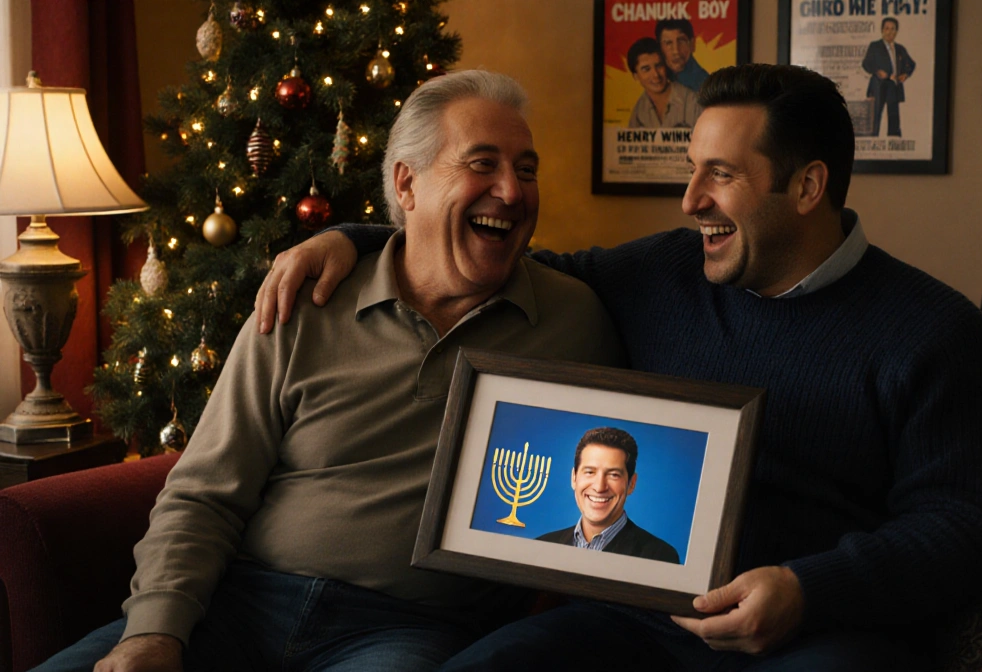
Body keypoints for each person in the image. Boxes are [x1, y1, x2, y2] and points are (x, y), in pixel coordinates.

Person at [258, 63, 982, 670]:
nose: (690, 202)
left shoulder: (933, 331)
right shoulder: (663, 274)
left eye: (721, 175)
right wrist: (354, 240)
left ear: (808, 187)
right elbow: (500, 256)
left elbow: (967, 528)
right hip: (634, 626)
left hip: (819, 633)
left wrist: (806, 590)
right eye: (692, 171)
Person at [33, 71, 624, 672]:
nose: (513, 191)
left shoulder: (573, 322)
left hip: (407, 631)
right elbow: (204, 493)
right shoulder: (304, 300)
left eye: (527, 170)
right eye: (482, 164)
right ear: (407, 183)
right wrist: (155, 634)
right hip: (236, 605)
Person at [536, 427, 680, 564]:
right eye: (590, 472)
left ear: (631, 484)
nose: (599, 487)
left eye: (613, 475)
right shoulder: (542, 546)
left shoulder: (660, 557)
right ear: (574, 478)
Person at [626, 37, 701, 128]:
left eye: (659, 65)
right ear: (636, 76)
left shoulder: (691, 100)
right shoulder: (638, 111)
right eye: (646, 69)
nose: (656, 75)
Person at [861, 17, 916, 137]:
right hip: (878, 85)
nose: (890, 32)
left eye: (893, 29)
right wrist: (877, 71)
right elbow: (866, 64)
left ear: (896, 31)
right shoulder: (875, 46)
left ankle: (894, 140)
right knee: (875, 115)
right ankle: (872, 140)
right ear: (882, 30)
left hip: (893, 87)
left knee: (894, 117)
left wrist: (905, 74)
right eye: (887, 29)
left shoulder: (900, 49)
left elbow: (911, 64)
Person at [656, 18, 709, 92]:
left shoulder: (705, 85)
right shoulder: (656, 78)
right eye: (668, 43)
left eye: (681, 41)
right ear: (659, 48)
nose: (676, 51)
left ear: (692, 44)